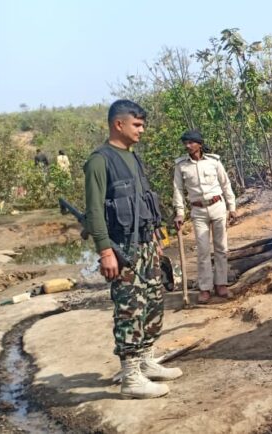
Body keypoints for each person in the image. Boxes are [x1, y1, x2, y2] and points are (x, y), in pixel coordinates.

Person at [83, 99, 180, 399]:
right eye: (137, 125)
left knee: (153, 302)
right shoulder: (100, 160)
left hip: (147, 244)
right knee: (129, 310)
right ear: (118, 124)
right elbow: (95, 211)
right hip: (123, 248)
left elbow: (145, 203)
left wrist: (157, 241)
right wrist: (105, 251)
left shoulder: (133, 157)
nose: (142, 130)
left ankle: (146, 361)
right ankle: (130, 378)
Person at [171, 130, 237, 304]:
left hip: (217, 206)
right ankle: (205, 288)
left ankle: (221, 284)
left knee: (221, 248)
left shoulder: (214, 162)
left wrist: (232, 207)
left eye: (191, 143)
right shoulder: (181, 166)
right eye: (185, 143)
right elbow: (177, 189)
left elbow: (225, 183)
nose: (188, 146)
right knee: (202, 250)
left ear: (199, 144)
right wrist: (179, 213)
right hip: (198, 211)